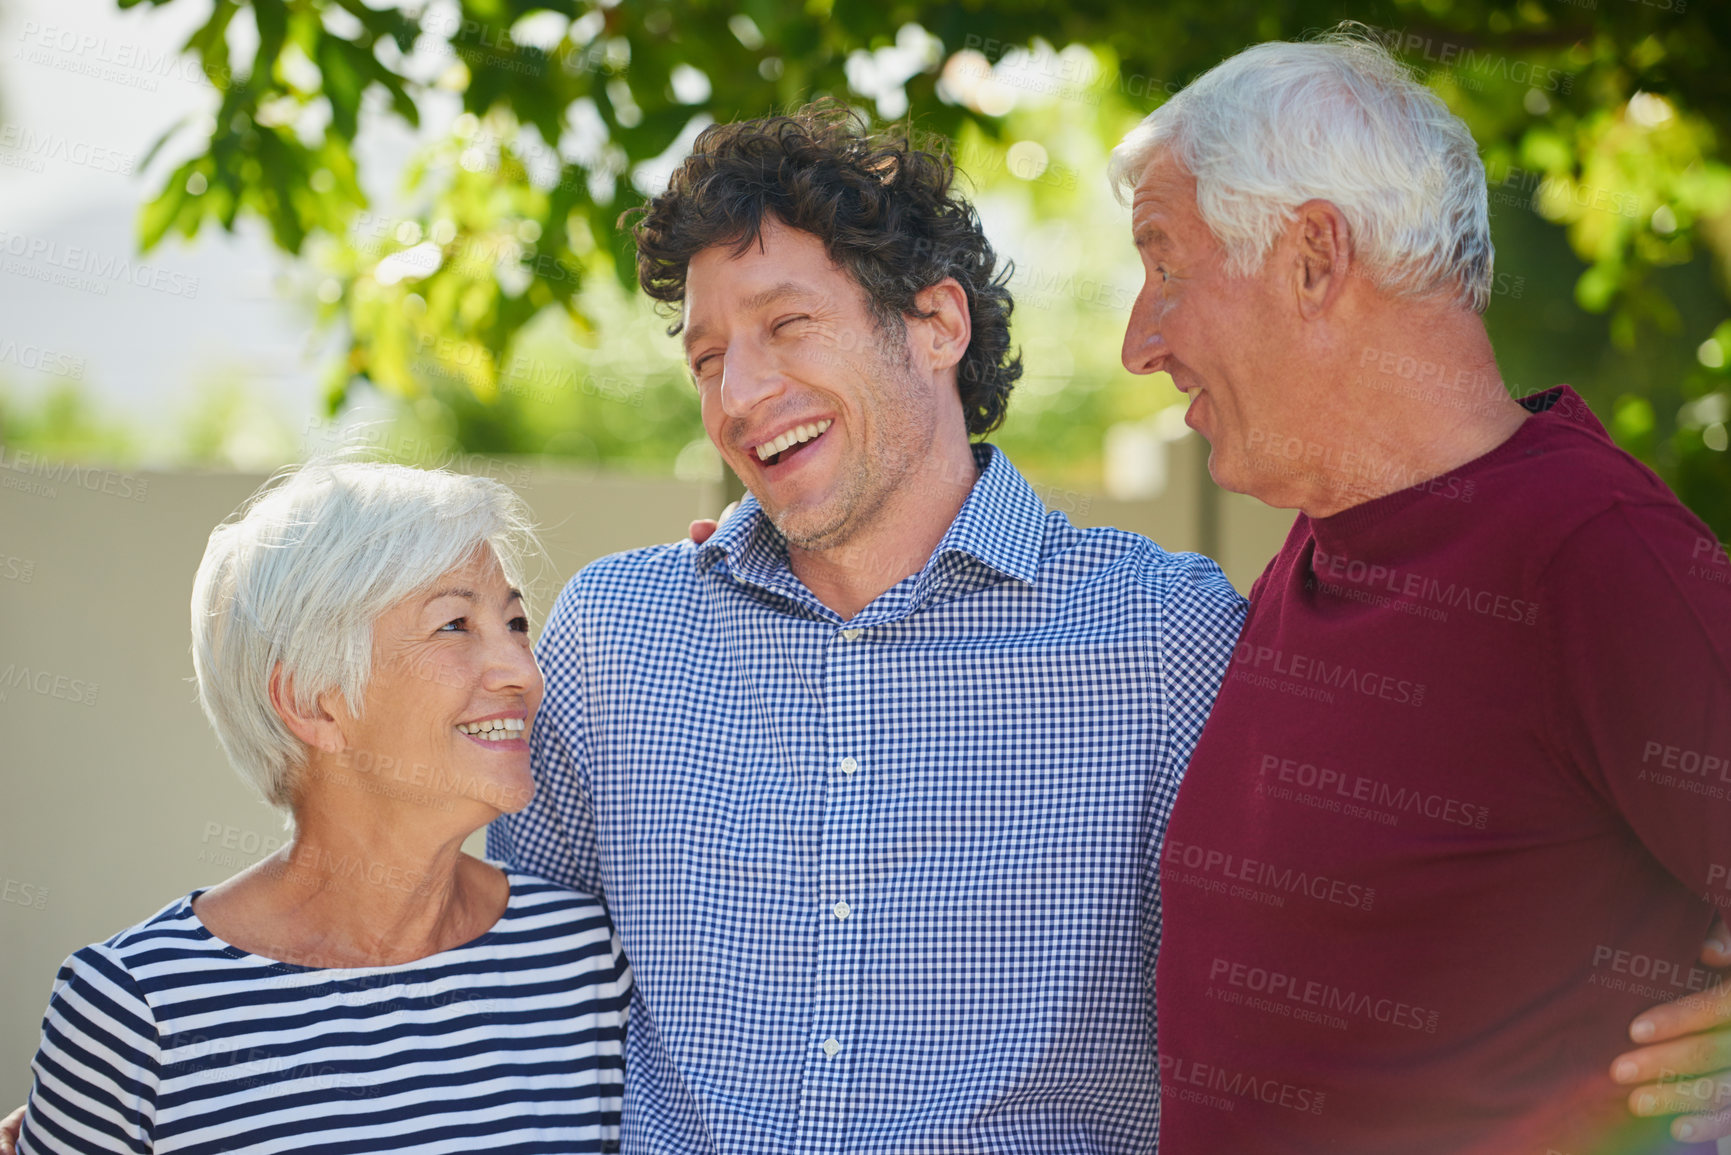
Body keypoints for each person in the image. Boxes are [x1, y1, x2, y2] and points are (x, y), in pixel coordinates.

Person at [485, 102, 1246, 1151]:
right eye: (707, 360)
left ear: (937, 324)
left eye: (788, 326)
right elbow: (527, 1012)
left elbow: (1273, 1034)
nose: (740, 394)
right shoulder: (617, 636)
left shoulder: (1167, 635)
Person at [1112, 31, 1731, 1153]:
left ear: (1311, 257)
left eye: (1166, 265)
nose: (1138, 342)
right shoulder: (1316, 552)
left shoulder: (1595, 553)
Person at [11, 462, 630, 1153]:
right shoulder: (135, 1008)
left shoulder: (585, 956)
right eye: (454, 624)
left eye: (514, 621)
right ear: (311, 701)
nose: (521, 667)